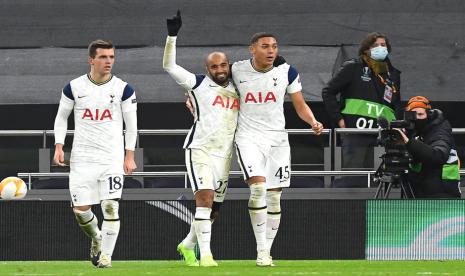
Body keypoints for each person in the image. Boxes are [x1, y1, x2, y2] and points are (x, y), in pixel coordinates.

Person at [231, 33, 323, 266]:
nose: (271, 51)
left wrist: (312, 121)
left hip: (278, 140)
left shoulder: (287, 72)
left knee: (274, 197)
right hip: (248, 137)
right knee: (258, 188)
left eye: (274, 46)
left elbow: (299, 104)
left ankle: (267, 251)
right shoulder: (236, 70)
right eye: (265, 46)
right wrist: (191, 97)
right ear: (252, 49)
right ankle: (261, 251)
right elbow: (212, 85)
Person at [163, 11, 239, 267]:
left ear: (229, 66)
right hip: (200, 149)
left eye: (223, 65)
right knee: (204, 199)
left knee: (213, 211)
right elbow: (169, 67)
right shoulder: (196, 84)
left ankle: (187, 244)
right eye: (214, 66)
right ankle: (206, 256)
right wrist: (172, 36)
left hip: (225, 154)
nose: (219, 69)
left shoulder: (239, 89)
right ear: (207, 69)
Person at [53, 40, 138, 268]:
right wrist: (59, 145)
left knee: (111, 206)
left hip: (111, 158)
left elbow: (131, 126)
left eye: (111, 57)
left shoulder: (123, 89)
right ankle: (97, 237)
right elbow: (62, 117)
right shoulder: (74, 87)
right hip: (82, 159)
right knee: (81, 212)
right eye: (103, 57)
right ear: (91, 60)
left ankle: (106, 257)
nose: (108, 61)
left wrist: (129, 156)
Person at [322, 32, 401, 174]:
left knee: (383, 178)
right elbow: (328, 92)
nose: (380, 48)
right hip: (356, 133)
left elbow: (396, 105)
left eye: (383, 45)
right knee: (354, 178)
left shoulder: (393, 74)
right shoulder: (353, 67)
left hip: (383, 135)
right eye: (375, 45)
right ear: (366, 49)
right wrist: (340, 121)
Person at [395, 96, 461, 198]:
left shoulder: (440, 129)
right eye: (413, 115)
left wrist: (409, 142)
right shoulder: (412, 131)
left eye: (420, 114)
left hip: (443, 194)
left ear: (429, 115)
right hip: (421, 191)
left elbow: (438, 155)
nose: (416, 118)